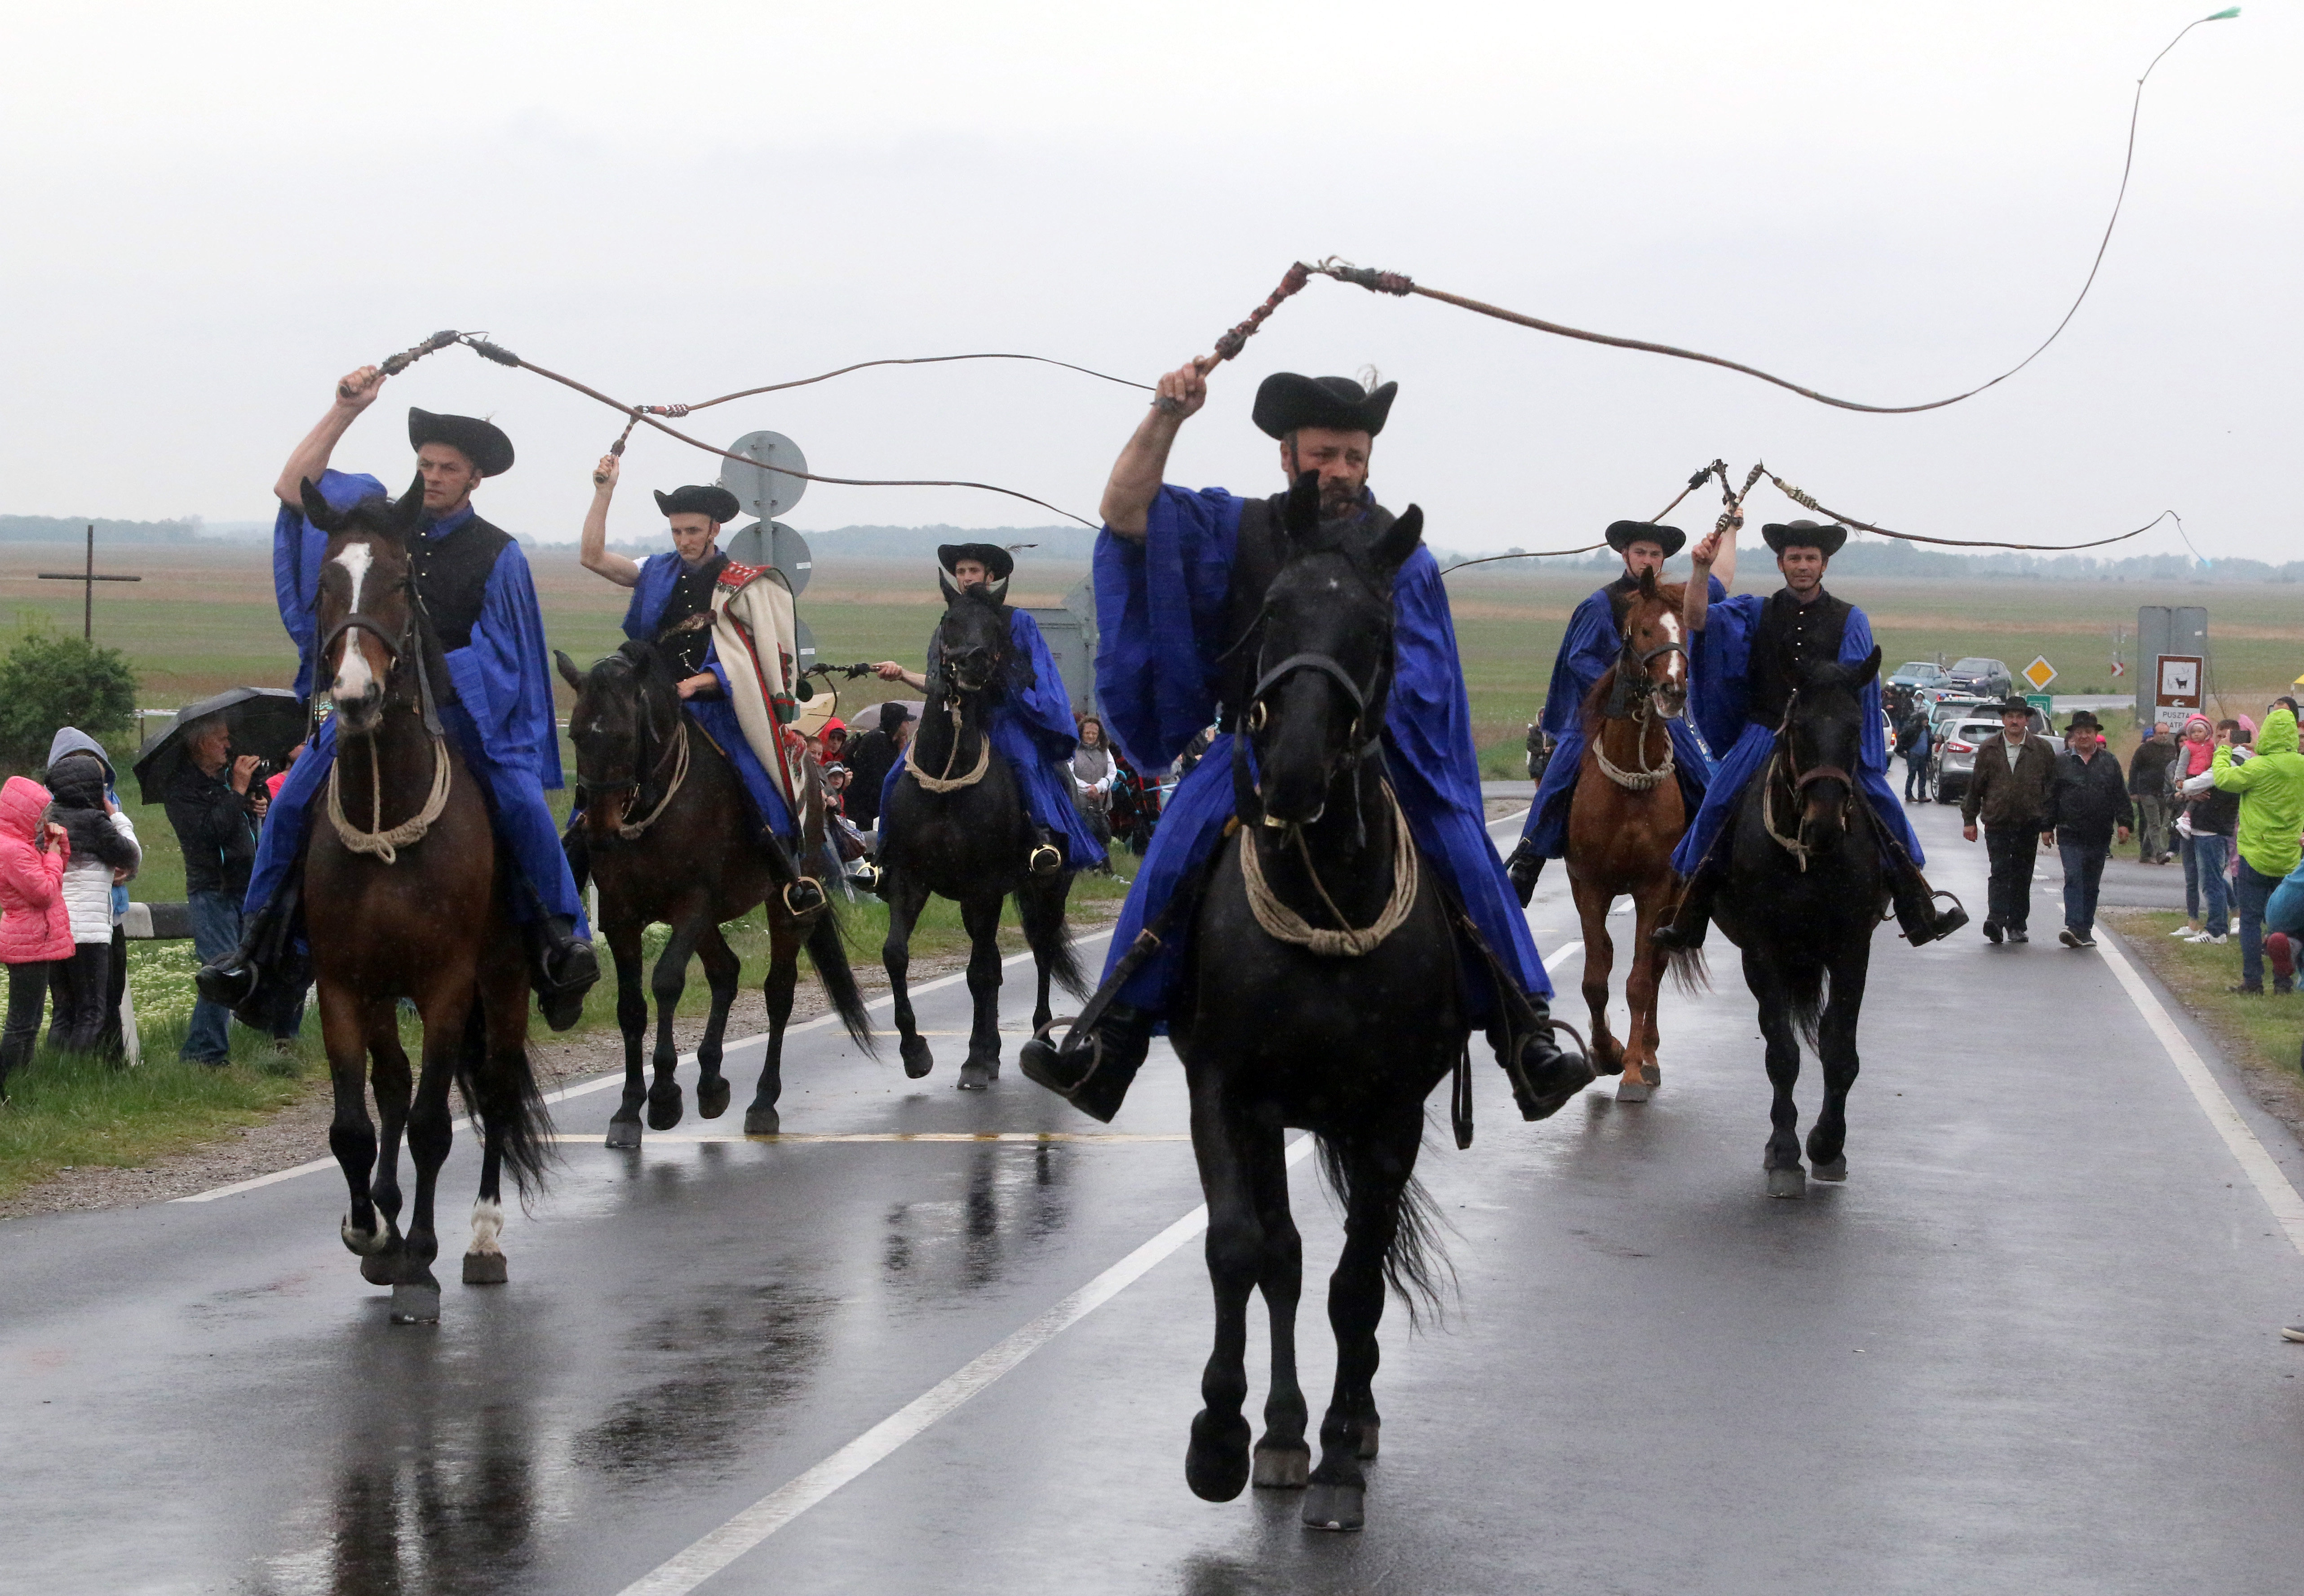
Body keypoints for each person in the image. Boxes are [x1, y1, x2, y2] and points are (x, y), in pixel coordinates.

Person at [1022, 361, 1587, 1123]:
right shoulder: (1237, 529)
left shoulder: (1400, 553)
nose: (1340, 472)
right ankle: (1110, 1035)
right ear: (1287, 455)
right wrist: (1165, 416)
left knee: (1459, 847)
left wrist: (1353, 721)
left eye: (1354, 457)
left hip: (1376, 751)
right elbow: (1126, 512)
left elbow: (1425, 677)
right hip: (1254, 750)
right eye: (1324, 455)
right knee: (1178, 842)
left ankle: (1525, 1033)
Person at [198, 369, 598, 1027]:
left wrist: (424, 673)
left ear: (475, 478)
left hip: (466, 716)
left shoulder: (499, 554)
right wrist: (343, 410)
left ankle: (562, 938)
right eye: (426, 463)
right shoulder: (377, 527)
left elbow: (506, 656)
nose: (433, 475)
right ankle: (255, 950)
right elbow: (291, 488)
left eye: (448, 467)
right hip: (361, 705)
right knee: (296, 795)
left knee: (522, 802)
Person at [1654, 519, 1967, 952]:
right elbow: (1697, 619)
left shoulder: (1850, 619)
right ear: (1781, 563)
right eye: (1795, 558)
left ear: (1824, 564)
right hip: (1766, 731)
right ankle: (1689, 913)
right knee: (1718, 803)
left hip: (1826, 738)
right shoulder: (1754, 612)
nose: (1803, 566)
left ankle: (1918, 905)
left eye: (1811, 559)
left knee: (1882, 803)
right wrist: (1702, 570)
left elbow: (1856, 686)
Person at [573, 457, 824, 911]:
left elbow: (751, 659)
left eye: (692, 531)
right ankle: (567, 885)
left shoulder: (743, 585)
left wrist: (697, 684)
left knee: (756, 780)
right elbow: (591, 558)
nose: (684, 540)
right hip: (652, 706)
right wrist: (604, 492)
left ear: (713, 531)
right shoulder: (655, 570)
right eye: (677, 532)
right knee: (598, 783)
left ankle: (790, 872)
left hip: (717, 705)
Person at [1501, 519, 1717, 904]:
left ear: (1663, 558)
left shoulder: (1671, 602)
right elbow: (1579, 657)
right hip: (1602, 712)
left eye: (1655, 554)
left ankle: (1711, 855)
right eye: (1640, 553)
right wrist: (1619, 685)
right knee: (1561, 769)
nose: (1647, 560)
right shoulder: (1602, 604)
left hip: (1655, 710)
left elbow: (1708, 601)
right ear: (1625, 555)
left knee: (1699, 770)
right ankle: (1529, 857)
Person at [868, 544, 1106, 877]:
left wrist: (1005, 683)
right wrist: (902, 673)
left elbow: (1039, 675)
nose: (967, 578)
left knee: (1023, 762)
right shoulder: (946, 626)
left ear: (990, 577)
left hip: (1002, 717)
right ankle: (882, 858)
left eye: (974, 571)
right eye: (961, 572)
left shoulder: (1017, 621)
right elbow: (938, 683)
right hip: (955, 722)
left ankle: (1041, 841)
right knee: (897, 774)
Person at [167, 714, 265, 1065]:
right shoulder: (181, 791)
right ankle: (202, 1054)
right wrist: (238, 791)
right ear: (200, 744)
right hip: (213, 891)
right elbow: (210, 835)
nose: (228, 745)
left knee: (254, 969)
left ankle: (267, 1037)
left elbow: (240, 829)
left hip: (245, 887)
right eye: (221, 739)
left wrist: (254, 803)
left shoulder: (225, 781)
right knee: (221, 972)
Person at [2194, 704, 2304, 994]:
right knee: (2286, 920)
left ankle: (2253, 980)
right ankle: (2284, 980)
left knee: (2251, 919)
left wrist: (2224, 749)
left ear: (2266, 733)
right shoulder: (2301, 766)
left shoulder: (2257, 767)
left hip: (2255, 854)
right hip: (2290, 855)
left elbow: (2224, 779)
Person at [42, 737, 138, 1054]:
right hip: (92, 930)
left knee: (63, 1011)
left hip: (54, 927)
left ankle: (56, 1071)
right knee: (92, 1012)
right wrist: (118, 819)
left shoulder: (46, 820)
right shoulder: (96, 820)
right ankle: (79, 1072)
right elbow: (129, 854)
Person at [0, 777, 74, 1098]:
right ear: (22, 813)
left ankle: (20, 1085)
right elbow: (44, 893)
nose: (44, 819)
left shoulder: (20, 845)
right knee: (22, 1024)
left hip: (36, 939)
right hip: (27, 940)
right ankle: (8, 1086)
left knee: (30, 1023)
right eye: (39, 813)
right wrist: (53, 854)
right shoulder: (12, 850)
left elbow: (53, 878)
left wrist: (58, 848)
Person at [1960, 698, 2056, 944]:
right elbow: (1976, 787)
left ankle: (2017, 925)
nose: (2015, 721)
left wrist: (2048, 825)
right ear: (2003, 720)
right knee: (2000, 871)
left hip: (2029, 822)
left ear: (2027, 720)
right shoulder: (1989, 748)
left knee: (2023, 875)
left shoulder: (2042, 749)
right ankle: (1995, 920)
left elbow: (2050, 790)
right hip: (1997, 821)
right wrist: (1969, 819)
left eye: (2020, 716)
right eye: (2010, 716)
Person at [2040, 710, 2132, 949]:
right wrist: (2047, 827)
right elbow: (2051, 796)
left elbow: (2120, 795)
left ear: (2096, 735)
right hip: (2070, 831)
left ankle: (2086, 930)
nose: (2083, 736)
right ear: (2073, 735)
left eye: (2088, 732)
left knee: (2091, 882)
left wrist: (2124, 823)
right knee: (2073, 877)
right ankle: (2073, 926)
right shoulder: (2061, 762)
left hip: (2100, 833)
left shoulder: (2109, 762)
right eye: (2079, 732)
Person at [2171, 715, 2234, 944]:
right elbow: (2178, 786)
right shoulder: (2213, 756)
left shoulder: (2232, 762)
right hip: (2197, 826)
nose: (2221, 741)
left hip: (2213, 828)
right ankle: (2198, 923)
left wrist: (2186, 788)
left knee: (2213, 881)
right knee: (2200, 879)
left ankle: (2218, 930)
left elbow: (2205, 780)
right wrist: (2184, 791)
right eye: (2219, 736)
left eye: (2225, 737)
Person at [842, 701, 911, 839]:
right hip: (865, 810)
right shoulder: (878, 740)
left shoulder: (885, 740)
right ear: (897, 722)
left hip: (869, 808)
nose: (908, 724)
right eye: (906, 720)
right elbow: (881, 779)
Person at [2128, 723, 2177, 864]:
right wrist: (2133, 791)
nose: (2163, 736)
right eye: (2160, 733)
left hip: (2164, 792)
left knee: (2158, 823)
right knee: (2154, 823)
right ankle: (2160, 854)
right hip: (2146, 791)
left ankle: (2145, 854)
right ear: (2154, 734)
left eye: (2166, 733)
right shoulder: (2144, 750)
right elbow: (2134, 770)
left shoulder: (2172, 750)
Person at [1071, 714, 1116, 860]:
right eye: (1088, 733)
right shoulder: (1073, 750)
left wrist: (1099, 787)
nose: (1091, 736)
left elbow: (1112, 772)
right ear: (1081, 733)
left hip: (1101, 804)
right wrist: (1088, 789)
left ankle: (1105, 869)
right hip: (1079, 803)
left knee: (1102, 838)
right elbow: (1070, 774)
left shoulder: (1105, 750)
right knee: (1082, 837)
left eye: (1094, 733)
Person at [1899, 697, 1933, 802]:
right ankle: (1908, 795)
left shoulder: (1928, 730)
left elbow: (1929, 740)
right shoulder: (1913, 729)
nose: (1926, 721)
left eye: (1927, 720)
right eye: (1924, 720)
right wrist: (1904, 749)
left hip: (1923, 756)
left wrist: (1936, 739)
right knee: (1912, 775)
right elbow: (1902, 737)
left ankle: (1922, 795)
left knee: (1923, 776)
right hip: (1913, 755)